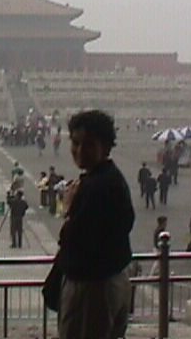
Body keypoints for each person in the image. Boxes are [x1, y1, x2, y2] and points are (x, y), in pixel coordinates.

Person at [55, 109, 134, 339]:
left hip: (91, 288)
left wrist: (68, 207)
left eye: (89, 144)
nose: (80, 151)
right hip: (112, 280)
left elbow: (71, 238)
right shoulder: (112, 178)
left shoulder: (95, 188)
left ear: (106, 147)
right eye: (75, 143)